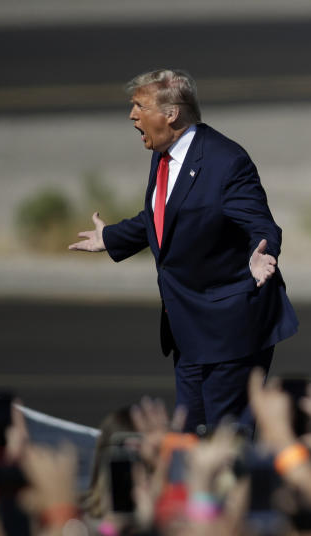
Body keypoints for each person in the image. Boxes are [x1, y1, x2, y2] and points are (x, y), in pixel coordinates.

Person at [68, 69, 297, 432]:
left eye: (140, 106)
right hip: (188, 326)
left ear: (171, 114)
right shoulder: (164, 154)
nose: (132, 115)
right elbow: (165, 215)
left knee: (226, 438)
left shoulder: (225, 161)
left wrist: (261, 253)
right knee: (189, 435)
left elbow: (261, 224)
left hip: (230, 326)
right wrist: (112, 238)